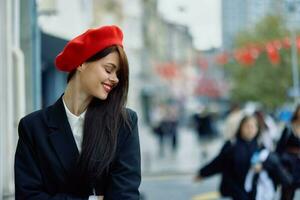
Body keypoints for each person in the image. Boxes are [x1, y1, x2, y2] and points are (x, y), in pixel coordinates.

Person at [14, 25, 141, 200]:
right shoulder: (33, 127)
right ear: (82, 62)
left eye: (118, 74)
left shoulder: (124, 122)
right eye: (108, 69)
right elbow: (28, 196)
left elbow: (125, 194)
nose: (115, 79)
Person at [276, 105, 300, 200]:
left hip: (299, 165)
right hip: (288, 164)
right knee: (286, 190)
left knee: (294, 189)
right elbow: (280, 146)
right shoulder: (289, 127)